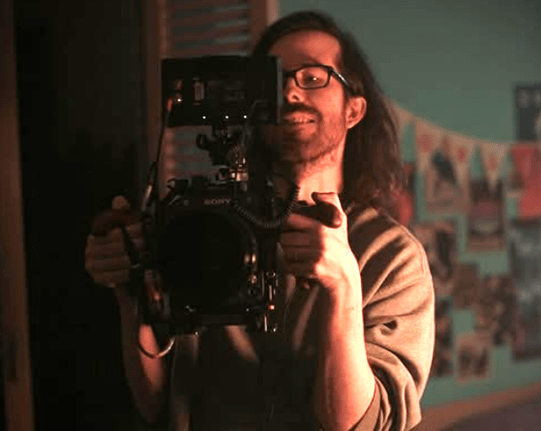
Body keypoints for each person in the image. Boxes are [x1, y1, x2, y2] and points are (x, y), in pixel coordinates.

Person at [85, 10, 434, 431]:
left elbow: (366, 425)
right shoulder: (200, 225)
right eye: (275, 79)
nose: (289, 90)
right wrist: (130, 293)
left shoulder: (392, 256)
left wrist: (343, 287)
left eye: (312, 77)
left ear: (354, 110)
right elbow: (157, 403)